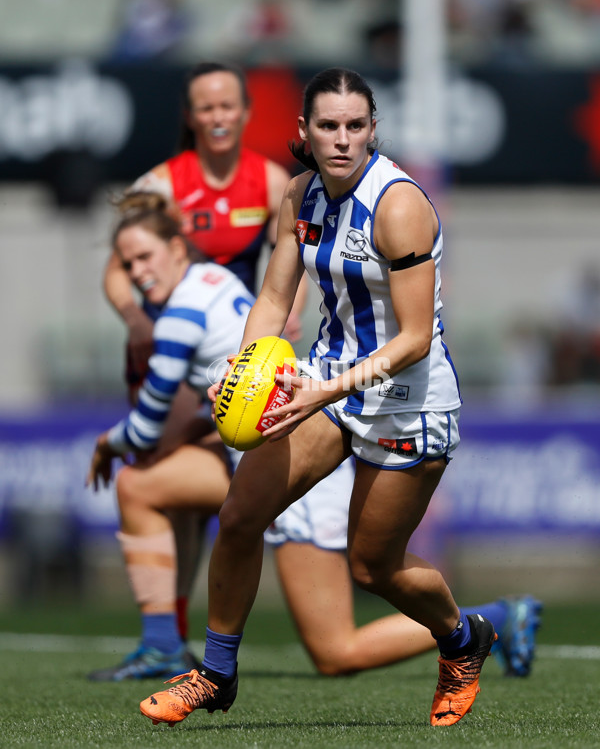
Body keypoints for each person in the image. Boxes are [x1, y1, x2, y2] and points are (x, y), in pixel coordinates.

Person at [139, 67, 504, 729]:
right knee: (242, 513)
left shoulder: (398, 205)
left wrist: (320, 391)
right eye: (329, 126)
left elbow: (416, 338)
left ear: (372, 130)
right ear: (304, 132)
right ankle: (215, 673)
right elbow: (275, 297)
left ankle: (462, 638)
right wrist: (240, 366)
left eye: (356, 126)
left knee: (373, 568)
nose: (342, 139)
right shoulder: (300, 196)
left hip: (408, 401)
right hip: (329, 382)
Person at [87, 193, 542, 686]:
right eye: (126, 263)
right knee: (146, 489)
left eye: (144, 257)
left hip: (296, 456)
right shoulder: (213, 283)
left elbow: (150, 425)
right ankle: (166, 648)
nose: (136, 272)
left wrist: (108, 443)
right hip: (267, 447)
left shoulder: (180, 314)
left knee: (336, 651)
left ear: (178, 248)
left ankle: (493, 619)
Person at [101, 61, 301, 642]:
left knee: (185, 486)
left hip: (231, 354)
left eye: (226, 106)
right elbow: (117, 271)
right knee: (162, 485)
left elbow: (293, 260)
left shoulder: (268, 182)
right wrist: (138, 321)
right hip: (167, 355)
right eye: (205, 108)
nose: (216, 117)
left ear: (245, 113)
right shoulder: (162, 183)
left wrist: (287, 317)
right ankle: (170, 633)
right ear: (190, 116)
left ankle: (176, 634)